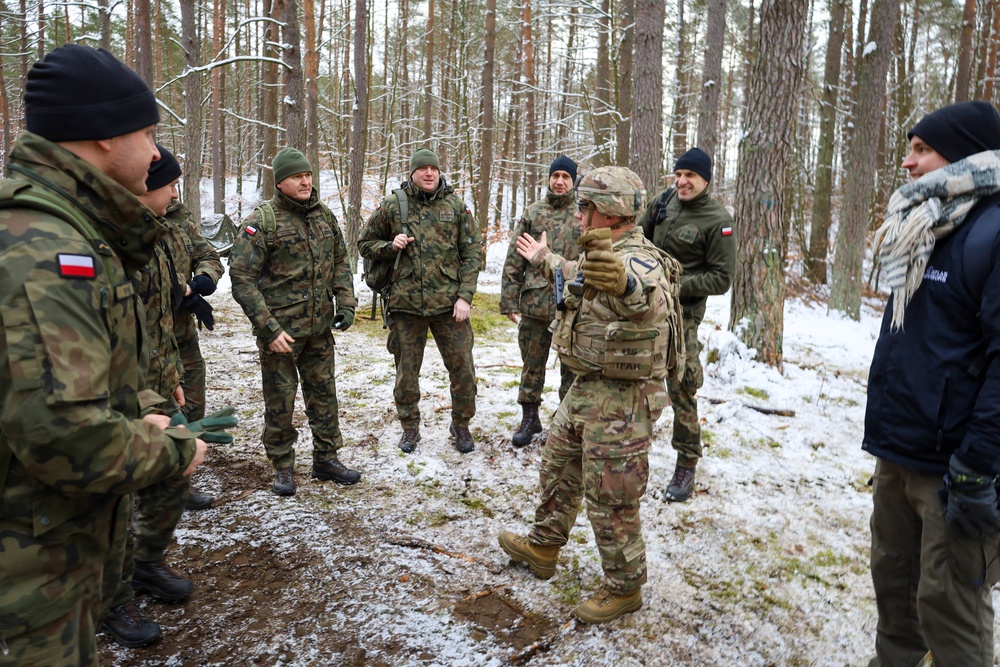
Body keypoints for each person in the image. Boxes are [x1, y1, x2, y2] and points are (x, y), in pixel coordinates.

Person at [0, 44, 205, 666]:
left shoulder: (73, 231)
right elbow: (64, 435)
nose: (153, 151)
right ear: (99, 138)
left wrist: (142, 402)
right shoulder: (45, 249)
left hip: (53, 554)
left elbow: (90, 374)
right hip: (30, 568)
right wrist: (174, 449)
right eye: (146, 132)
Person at [498, 166, 681, 624]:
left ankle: (624, 588)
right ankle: (544, 546)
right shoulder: (603, 250)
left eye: (586, 207)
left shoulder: (637, 259)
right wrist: (543, 257)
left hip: (623, 398)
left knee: (611, 495)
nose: (579, 215)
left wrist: (624, 285)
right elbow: (573, 271)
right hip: (587, 386)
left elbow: (648, 298)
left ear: (611, 211)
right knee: (559, 465)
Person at [864, 101, 1000, 667]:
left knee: (951, 611)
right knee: (896, 599)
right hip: (899, 450)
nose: (908, 161)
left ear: (964, 154)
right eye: (910, 148)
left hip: (956, 469)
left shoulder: (991, 230)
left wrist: (978, 465)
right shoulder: (922, 222)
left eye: (922, 149)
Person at [229, 147, 360, 496]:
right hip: (281, 334)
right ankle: (283, 465)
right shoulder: (262, 222)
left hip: (319, 331)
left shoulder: (324, 217)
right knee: (280, 401)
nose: (305, 181)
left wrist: (346, 302)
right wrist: (268, 328)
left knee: (324, 396)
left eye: (308, 175)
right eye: (296, 176)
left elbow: (341, 262)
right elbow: (241, 278)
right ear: (280, 182)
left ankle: (326, 459)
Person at [358, 148, 483, 454]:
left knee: (463, 370)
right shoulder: (392, 205)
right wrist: (390, 245)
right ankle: (410, 427)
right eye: (423, 169)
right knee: (406, 374)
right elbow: (364, 243)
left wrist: (465, 296)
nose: (429, 173)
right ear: (412, 173)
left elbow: (472, 253)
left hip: (449, 306)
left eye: (434, 169)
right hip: (405, 306)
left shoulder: (455, 207)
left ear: (440, 172)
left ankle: (461, 425)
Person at [637, 147, 735, 502]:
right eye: (678, 174)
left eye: (689, 176)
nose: (681, 181)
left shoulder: (717, 219)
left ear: (705, 179)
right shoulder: (665, 201)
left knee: (680, 385)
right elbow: (639, 237)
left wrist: (675, 285)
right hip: (645, 306)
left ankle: (686, 462)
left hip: (682, 316)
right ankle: (630, 449)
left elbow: (721, 278)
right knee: (634, 374)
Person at [500, 155, 580, 447]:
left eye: (566, 177)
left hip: (572, 307)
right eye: (555, 175)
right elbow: (513, 258)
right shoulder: (533, 213)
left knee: (572, 369)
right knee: (532, 364)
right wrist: (509, 299)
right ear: (548, 178)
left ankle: (565, 423)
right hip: (535, 304)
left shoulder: (584, 214)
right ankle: (529, 418)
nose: (559, 181)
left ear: (573, 181)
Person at [166, 190, 225, 511]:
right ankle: (148, 485)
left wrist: (200, 281)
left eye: (177, 183)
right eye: (168, 184)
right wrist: (179, 287)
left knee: (192, 404)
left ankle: (178, 480)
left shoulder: (180, 221)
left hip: (182, 334)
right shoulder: (127, 223)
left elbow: (210, 257)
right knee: (158, 410)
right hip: (145, 337)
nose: (175, 191)